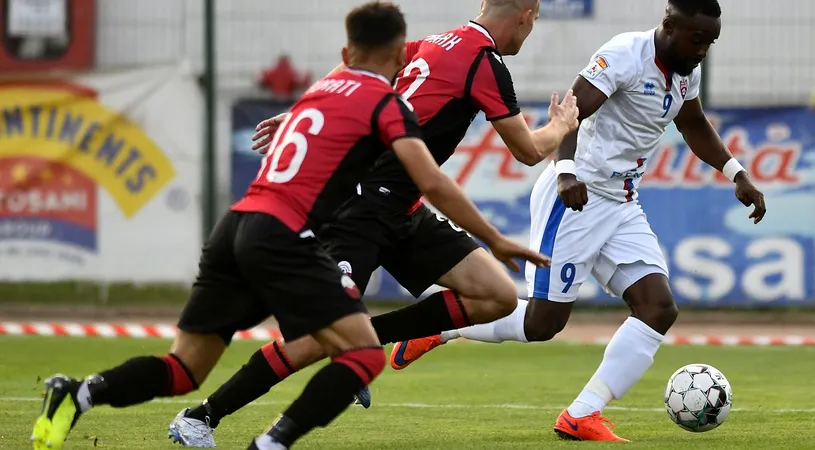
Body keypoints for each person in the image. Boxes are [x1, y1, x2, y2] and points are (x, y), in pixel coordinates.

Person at [29, 3, 550, 450]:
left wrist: (299, 112)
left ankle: (81, 392)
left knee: (493, 294)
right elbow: (440, 177)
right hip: (338, 218)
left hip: (253, 223)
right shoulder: (390, 102)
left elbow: (334, 116)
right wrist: (502, 232)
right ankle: (234, 427)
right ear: (396, 58)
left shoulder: (347, 84)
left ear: (348, 56)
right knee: (332, 347)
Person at [167, 0, 579, 447]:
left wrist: (308, 111)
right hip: (359, 209)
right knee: (310, 343)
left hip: (403, 211)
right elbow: (529, 150)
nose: (530, 31)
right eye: (535, 21)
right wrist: (561, 126)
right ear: (525, 13)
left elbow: (360, 76)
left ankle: (365, 338)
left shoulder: (432, 44)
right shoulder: (483, 61)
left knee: (496, 295)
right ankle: (201, 416)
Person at [392, 0, 767, 442]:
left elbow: (693, 123)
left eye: (711, 42)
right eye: (697, 38)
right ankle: (442, 326)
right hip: (574, 197)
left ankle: (582, 413)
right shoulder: (625, 54)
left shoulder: (687, 69)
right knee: (542, 324)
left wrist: (736, 173)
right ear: (669, 25)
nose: (703, 49)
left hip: (622, 204)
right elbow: (572, 112)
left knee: (658, 308)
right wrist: (566, 172)